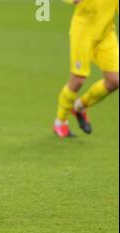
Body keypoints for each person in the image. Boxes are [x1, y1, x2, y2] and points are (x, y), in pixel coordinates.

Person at [54, 0, 119, 138]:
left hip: (106, 35)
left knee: (114, 81)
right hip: (83, 34)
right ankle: (60, 121)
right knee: (78, 80)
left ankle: (80, 107)